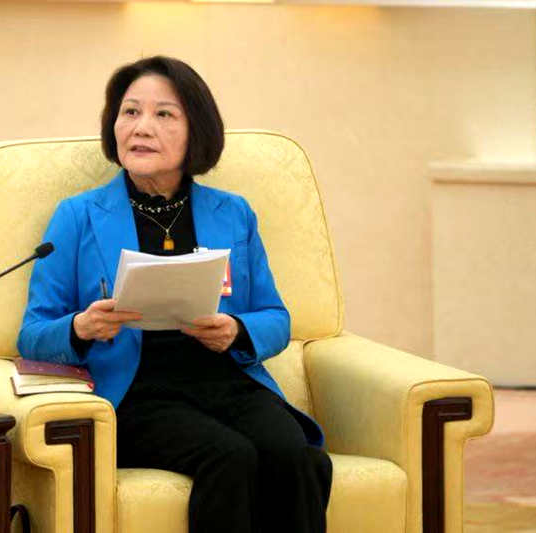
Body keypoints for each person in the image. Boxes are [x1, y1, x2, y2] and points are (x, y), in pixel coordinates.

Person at [17, 56, 332, 533]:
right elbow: (32, 333)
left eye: (164, 114)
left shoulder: (233, 213)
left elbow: (275, 317)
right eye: (130, 112)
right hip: (135, 392)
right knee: (230, 456)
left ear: (195, 132)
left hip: (225, 380)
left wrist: (236, 330)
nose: (141, 127)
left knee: (295, 455)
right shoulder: (78, 216)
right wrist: (81, 327)